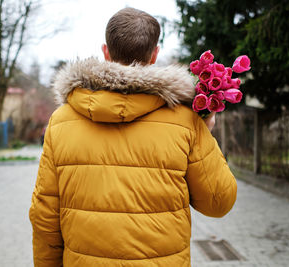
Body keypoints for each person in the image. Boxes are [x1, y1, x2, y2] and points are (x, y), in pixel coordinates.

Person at [29, 7, 237, 267]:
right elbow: (219, 202)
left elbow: (44, 216)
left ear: (106, 51)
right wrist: (205, 132)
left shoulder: (61, 122)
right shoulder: (186, 122)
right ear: (154, 55)